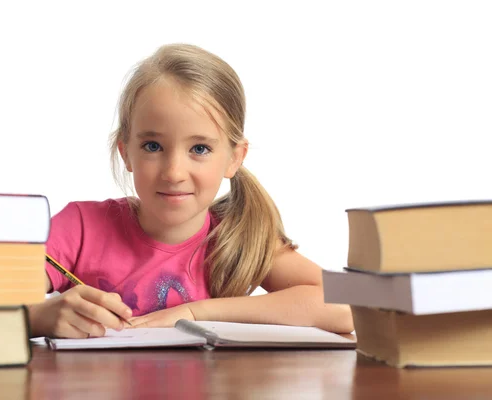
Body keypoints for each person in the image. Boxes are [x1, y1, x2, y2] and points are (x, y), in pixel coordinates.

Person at [28, 43, 353, 338]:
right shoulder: (80, 228)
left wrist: (194, 313)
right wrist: (39, 317)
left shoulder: (239, 237)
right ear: (126, 152)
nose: (173, 172)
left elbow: (347, 307)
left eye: (199, 149)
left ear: (234, 158)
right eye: (153, 146)